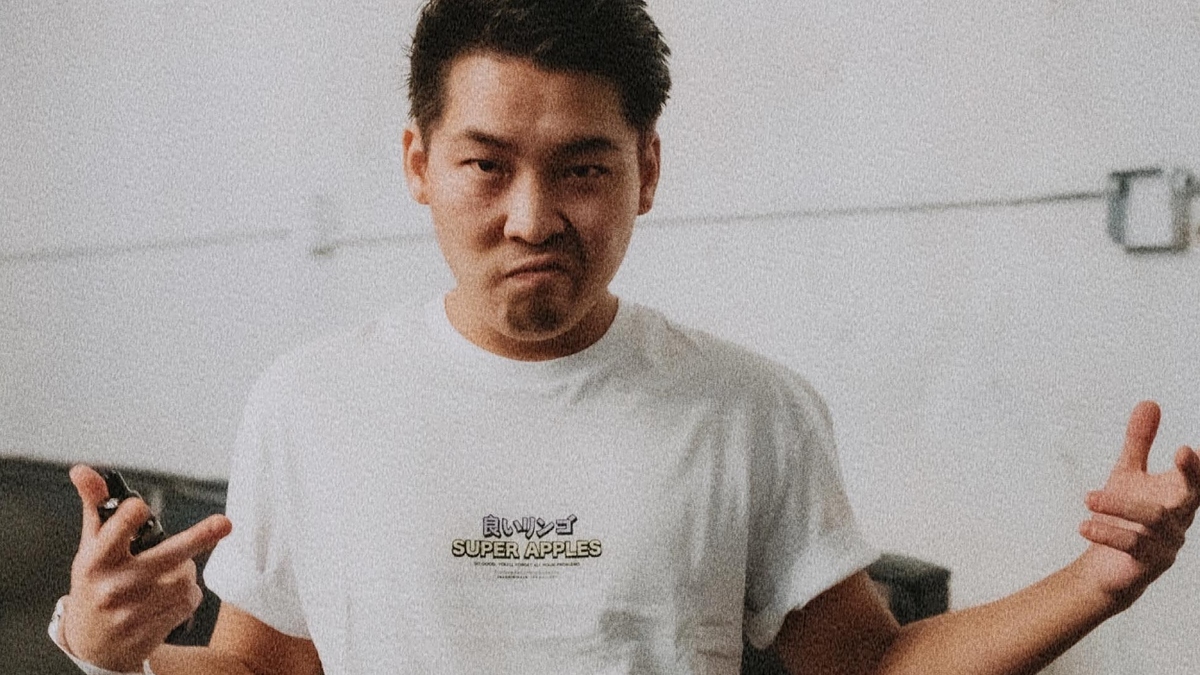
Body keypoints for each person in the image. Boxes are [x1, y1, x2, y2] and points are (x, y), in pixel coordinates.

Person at [51, 1, 1200, 673]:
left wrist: (1097, 583)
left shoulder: (750, 407)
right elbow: (268, 668)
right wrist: (119, 655)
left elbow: (869, 670)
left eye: (583, 168)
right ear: (419, 165)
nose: (533, 217)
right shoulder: (307, 400)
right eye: (486, 164)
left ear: (646, 170)